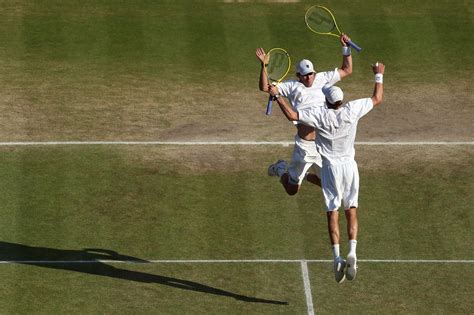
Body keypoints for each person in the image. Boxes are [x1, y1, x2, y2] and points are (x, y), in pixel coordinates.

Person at [268, 62, 385, 283]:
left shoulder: (320, 116)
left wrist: (277, 97)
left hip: (330, 168)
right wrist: (378, 75)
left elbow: (292, 115)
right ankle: (353, 251)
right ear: (341, 101)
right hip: (350, 167)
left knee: (333, 212)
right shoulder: (352, 109)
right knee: (351, 209)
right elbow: (377, 98)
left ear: (328, 102)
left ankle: (337, 256)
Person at [256, 34, 353, 195]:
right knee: (292, 190)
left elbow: (347, 69)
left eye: (311, 74)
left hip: (324, 144)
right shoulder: (291, 86)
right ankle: (281, 169)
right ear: (298, 76)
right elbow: (264, 87)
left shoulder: (324, 78)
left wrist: (346, 47)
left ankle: (306, 175)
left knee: (334, 187)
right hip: (305, 147)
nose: (309, 77)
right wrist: (264, 67)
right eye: (305, 75)